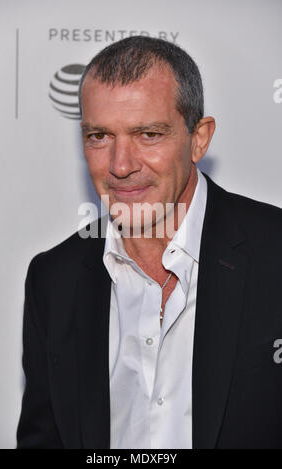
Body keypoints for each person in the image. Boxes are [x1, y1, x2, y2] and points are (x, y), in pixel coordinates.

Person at [17, 36, 282, 449]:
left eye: (149, 134)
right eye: (99, 136)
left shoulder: (275, 253)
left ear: (199, 138)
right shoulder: (54, 279)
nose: (120, 165)